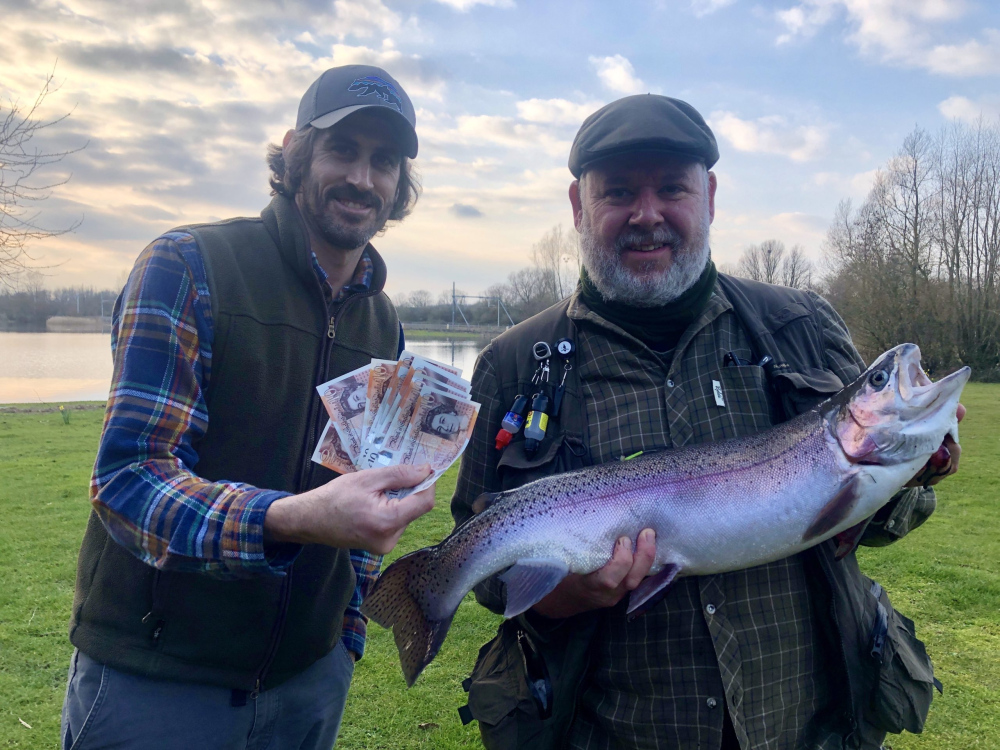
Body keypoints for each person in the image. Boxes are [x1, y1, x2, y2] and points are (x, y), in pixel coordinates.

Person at [452, 95, 964, 750]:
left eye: (672, 189)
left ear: (710, 197)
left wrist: (920, 467)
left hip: (808, 729)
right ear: (579, 208)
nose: (647, 215)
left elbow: (875, 527)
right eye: (618, 193)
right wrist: (569, 594)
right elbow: (485, 560)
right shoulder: (513, 365)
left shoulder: (803, 326)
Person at [61, 64, 436, 750]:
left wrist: (344, 639)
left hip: (307, 687)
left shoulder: (386, 329)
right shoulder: (190, 264)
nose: (362, 177)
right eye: (341, 150)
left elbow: (365, 490)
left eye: (384, 161)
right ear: (295, 154)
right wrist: (286, 520)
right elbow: (128, 481)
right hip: (159, 683)